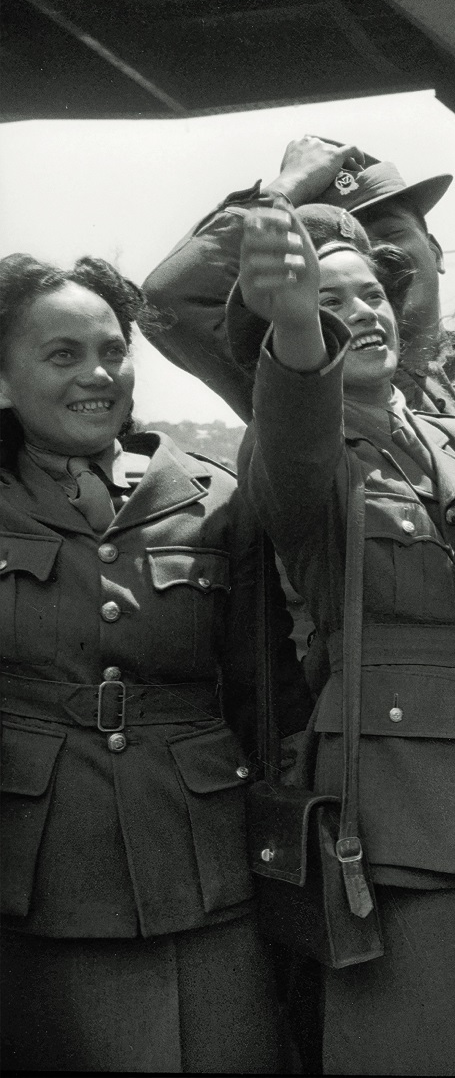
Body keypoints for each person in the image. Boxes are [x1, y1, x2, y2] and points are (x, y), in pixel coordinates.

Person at [233, 200, 455, 1075]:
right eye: (331, 299)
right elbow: (296, 441)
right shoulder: (294, 446)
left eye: (373, 294)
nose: (366, 312)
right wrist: (300, 325)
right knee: (433, 1035)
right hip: (400, 805)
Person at [0, 253, 307, 1073]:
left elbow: (264, 694)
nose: (97, 373)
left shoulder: (213, 498)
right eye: (62, 355)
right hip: (34, 874)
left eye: (112, 350)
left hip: (202, 865)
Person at [143, 134, 455, 420]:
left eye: (390, 233)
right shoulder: (314, 381)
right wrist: (284, 192)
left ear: (435, 250)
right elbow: (169, 298)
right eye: (348, 249)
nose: (373, 260)